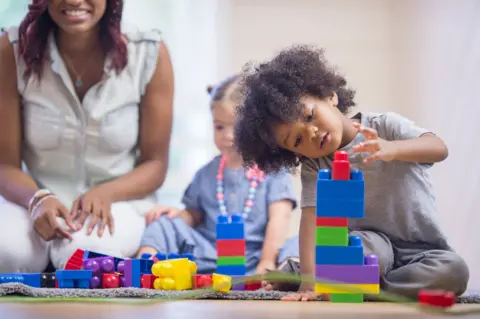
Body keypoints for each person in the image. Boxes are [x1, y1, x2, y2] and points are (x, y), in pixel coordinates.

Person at [233, 45, 470, 300]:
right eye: (298, 140)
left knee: (454, 272)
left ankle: (362, 287)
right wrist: (310, 283)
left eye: (310, 116)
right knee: (358, 251)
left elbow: (439, 148)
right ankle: (333, 279)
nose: (311, 133)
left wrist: (393, 148)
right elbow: (311, 219)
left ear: (329, 96)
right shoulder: (316, 164)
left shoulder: (385, 127)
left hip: (421, 251)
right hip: (366, 246)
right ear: (293, 153)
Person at [0, 0, 173, 273]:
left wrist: (107, 192)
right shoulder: (11, 51)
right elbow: (5, 165)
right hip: (35, 200)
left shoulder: (148, 53)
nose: (73, 1)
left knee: (83, 254)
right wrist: (37, 199)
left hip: (119, 202)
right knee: (8, 253)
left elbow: (156, 164)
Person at [138, 74, 299, 276]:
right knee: (163, 224)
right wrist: (177, 216)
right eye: (219, 127)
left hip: (256, 258)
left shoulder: (273, 170)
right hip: (209, 255)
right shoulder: (207, 173)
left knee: (303, 242)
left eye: (238, 127)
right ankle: (145, 270)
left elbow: (279, 219)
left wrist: (266, 261)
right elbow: (193, 215)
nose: (228, 135)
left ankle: (282, 274)